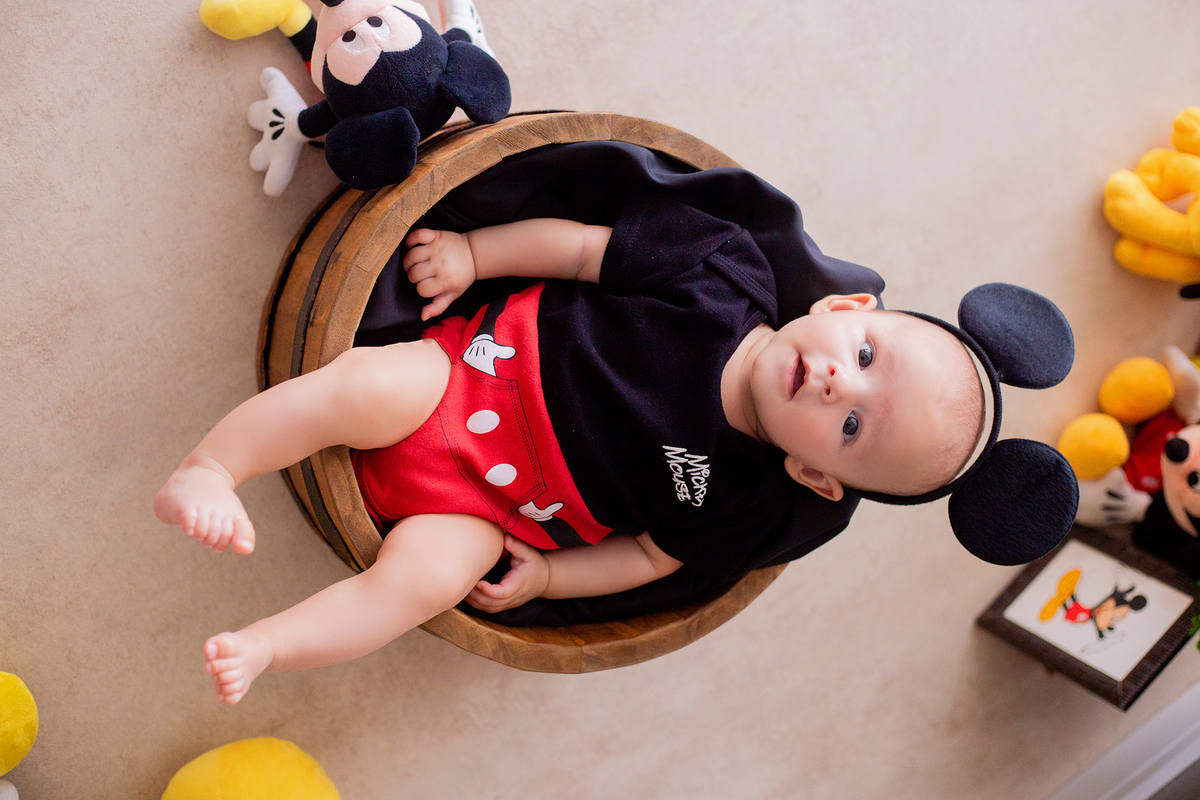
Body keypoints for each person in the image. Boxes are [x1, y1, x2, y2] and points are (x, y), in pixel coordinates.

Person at [155, 191, 985, 704]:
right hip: (466, 377)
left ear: (816, 474)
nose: (843, 385)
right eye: (867, 356)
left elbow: (655, 556)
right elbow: (587, 249)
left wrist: (550, 576)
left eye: (852, 429)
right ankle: (213, 469)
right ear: (844, 309)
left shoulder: (748, 501)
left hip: (493, 509)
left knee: (418, 587)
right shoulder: (724, 276)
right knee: (359, 390)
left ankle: (270, 645)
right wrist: (476, 256)